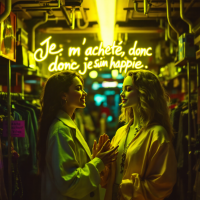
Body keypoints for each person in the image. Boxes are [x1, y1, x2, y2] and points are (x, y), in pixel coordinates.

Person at [37, 71, 118, 200]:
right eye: (78, 88)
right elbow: (69, 183)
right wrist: (98, 162)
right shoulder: (61, 130)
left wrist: (93, 158)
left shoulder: (66, 125)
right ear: (63, 95)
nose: (84, 93)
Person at [97, 69, 177, 200]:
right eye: (123, 89)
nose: (122, 94)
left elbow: (163, 183)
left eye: (128, 89)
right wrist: (100, 161)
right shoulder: (121, 132)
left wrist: (129, 189)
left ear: (144, 93)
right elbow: (110, 175)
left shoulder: (157, 134)